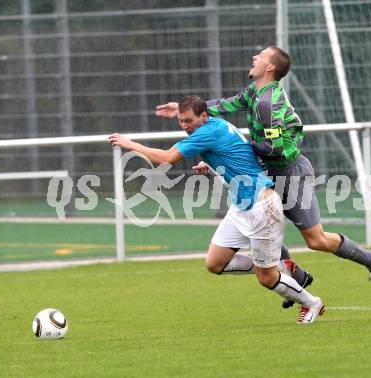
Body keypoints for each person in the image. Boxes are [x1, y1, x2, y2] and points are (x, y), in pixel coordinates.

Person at [155, 46, 371, 300]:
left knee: (316, 240)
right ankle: (294, 277)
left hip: (290, 174)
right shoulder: (255, 92)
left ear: (270, 68)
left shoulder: (268, 103)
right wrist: (185, 109)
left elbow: (275, 148)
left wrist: (234, 152)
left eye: (262, 56)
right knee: (262, 224)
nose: (255, 57)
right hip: (268, 171)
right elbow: (225, 105)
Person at [109, 95, 325, 324]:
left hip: (261, 206)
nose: (184, 125)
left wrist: (129, 144)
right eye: (181, 120)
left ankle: (311, 302)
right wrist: (212, 164)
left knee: (266, 277)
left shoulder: (206, 132)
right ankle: (280, 267)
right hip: (241, 206)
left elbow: (166, 158)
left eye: (188, 120)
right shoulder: (216, 125)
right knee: (215, 263)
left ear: (204, 116)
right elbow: (237, 152)